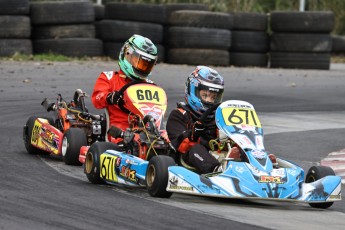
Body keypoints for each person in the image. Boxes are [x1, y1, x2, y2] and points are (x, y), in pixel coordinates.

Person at [91, 34, 158, 140]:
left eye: (146, 65)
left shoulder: (150, 86)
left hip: (145, 130)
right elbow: (97, 99)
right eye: (139, 62)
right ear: (126, 54)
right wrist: (111, 97)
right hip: (119, 132)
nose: (142, 68)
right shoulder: (109, 78)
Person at [166, 66, 230, 174]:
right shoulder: (178, 115)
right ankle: (216, 171)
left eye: (213, 97)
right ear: (192, 90)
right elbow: (181, 145)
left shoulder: (217, 118)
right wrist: (194, 134)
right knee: (195, 148)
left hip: (217, 155)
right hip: (189, 160)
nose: (209, 100)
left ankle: (259, 167)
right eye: (205, 95)